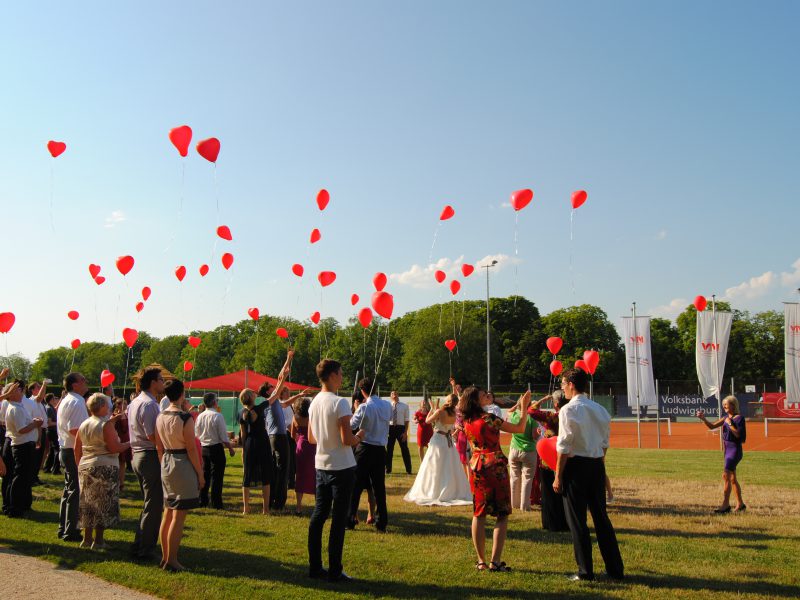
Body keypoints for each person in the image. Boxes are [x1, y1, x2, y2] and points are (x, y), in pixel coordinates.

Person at [554, 368, 624, 582]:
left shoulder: (568, 410)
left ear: (571, 384)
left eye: (563, 384)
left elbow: (564, 446)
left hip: (576, 467)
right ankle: (615, 569)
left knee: (577, 521)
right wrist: (598, 463)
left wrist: (558, 475)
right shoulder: (600, 409)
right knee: (601, 519)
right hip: (596, 466)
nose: (562, 388)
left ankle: (585, 571)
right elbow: (604, 444)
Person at [459, 386, 530, 572]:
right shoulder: (488, 418)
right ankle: (495, 561)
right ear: (476, 400)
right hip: (494, 466)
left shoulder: (466, 420)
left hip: (477, 467)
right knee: (502, 513)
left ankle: (481, 561)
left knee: (479, 513)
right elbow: (520, 428)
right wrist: (524, 408)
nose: (487, 396)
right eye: (483, 395)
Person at [307, 358, 364, 583]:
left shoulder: (314, 402)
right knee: (338, 520)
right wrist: (359, 437)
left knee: (319, 515)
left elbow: (312, 438)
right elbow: (347, 439)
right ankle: (334, 570)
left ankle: (315, 567)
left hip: (321, 465)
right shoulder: (339, 402)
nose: (342, 377)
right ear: (331, 376)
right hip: (342, 467)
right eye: (340, 373)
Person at [155, 379, 204, 572]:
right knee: (178, 515)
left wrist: (163, 464)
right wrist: (200, 473)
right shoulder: (185, 418)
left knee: (168, 512)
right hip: (182, 462)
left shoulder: (160, 416)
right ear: (181, 394)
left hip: (167, 461)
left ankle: (166, 557)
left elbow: (158, 446)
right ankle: (172, 559)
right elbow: (191, 448)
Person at [239, 350, 294, 514]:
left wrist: (243, 449)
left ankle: (246, 508)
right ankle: (265, 509)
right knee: (265, 475)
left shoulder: (241, 413)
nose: (254, 393)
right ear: (250, 398)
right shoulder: (260, 407)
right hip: (262, 442)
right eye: (252, 392)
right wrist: (285, 374)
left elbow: (243, 434)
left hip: (249, 443)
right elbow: (278, 389)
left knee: (247, 476)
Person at [74, 393, 130, 550]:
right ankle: (98, 541)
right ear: (103, 406)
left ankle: (86, 539)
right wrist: (129, 443)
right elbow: (114, 447)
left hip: (86, 465)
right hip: (104, 466)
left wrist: (79, 465)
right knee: (102, 504)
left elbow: (76, 448)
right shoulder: (105, 425)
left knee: (87, 503)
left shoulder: (84, 423)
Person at [404, 393, 472, 507]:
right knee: (449, 466)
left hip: (439, 439)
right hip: (448, 441)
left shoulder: (440, 412)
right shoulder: (454, 413)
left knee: (434, 465)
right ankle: (451, 490)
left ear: (448, 401)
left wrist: (431, 409)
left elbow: (427, 421)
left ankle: (433, 491)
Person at [127, 367, 165, 561]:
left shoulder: (135, 401)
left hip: (138, 454)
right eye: (161, 379)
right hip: (149, 455)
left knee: (149, 503)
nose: (163, 383)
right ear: (153, 382)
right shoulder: (149, 404)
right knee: (154, 506)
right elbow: (152, 435)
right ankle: (146, 549)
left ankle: (140, 544)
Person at [347, 377, 392, 532]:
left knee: (356, 485)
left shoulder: (364, 407)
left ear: (362, 391)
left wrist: (356, 409)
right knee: (379, 487)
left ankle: (350, 519)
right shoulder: (387, 405)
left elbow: (351, 425)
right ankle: (381, 522)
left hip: (364, 449)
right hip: (380, 450)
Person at [257, 351, 299, 511]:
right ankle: (279, 503)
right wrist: (288, 359)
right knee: (283, 469)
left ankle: (274, 499)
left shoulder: (272, 402)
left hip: (273, 437)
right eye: (271, 387)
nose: (274, 387)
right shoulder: (271, 399)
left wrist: (299, 395)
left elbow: (285, 403)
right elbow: (281, 378)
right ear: (268, 392)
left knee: (277, 468)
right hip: (279, 437)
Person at [696, 395, 747, 513]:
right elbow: (712, 426)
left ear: (733, 405)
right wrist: (703, 418)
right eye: (723, 404)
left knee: (726, 476)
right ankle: (740, 504)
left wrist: (729, 424)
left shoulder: (739, 418)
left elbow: (738, 435)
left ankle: (725, 505)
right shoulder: (725, 418)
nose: (724, 406)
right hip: (727, 450)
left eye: (726, 404)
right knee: (732, 478)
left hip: (734, 450)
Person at [528, 391, 570, 531]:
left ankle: (550, 522)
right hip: (566, 458)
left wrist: (543, 399)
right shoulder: (570, 415)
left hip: (548, 459)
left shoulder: (552, 416)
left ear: (555, 403)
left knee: (548, 492)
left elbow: (531, 410)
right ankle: (566, 521)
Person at [57, 372, 90, 541]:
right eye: (83, 380)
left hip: (66, 448)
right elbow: (75, 430)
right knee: (75, 491)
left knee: (69, 490)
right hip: (72, 450)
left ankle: (64, 527)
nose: (86, 382)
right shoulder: (77, 401)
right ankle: (70, 530)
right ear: (75, 385)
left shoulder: (68, 399)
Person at [3, 381, 42, 517]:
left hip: (24, 444)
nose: (22, 391)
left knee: (22, 477)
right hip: (21, 445)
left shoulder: (18, 406)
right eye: (18, 390)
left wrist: (33, 422)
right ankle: (15, 508)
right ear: (12, 394)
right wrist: (35, 424)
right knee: (19, 478)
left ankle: (19, 505)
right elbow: (21, 429)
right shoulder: (15, 408)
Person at [195, 392, 235, 509]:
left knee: (205, 475)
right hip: (216, 448)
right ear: (213, 402)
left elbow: (197, 434)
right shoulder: (217, 416)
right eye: (216, 400)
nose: (217, 402)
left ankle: (203, 500)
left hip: (204, 448)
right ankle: (216, 502)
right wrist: (230, 448)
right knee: (217, 477)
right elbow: (223, 436)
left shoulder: (200, 416)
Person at [506, 396, 539, 512]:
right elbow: (534, 436)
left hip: (514, 450)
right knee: (527, 479)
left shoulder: (514, 415)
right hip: (528, 451)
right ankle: (524, 506)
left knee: (514, 477)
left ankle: (514, 504)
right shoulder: (532, 419)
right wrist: (539, 433)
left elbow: (509, 411)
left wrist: (519, 403)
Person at [291, 396, 316, 514]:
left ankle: (298, 507)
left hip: (300, 446)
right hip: (313, 446)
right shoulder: (312, 417)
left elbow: (292, 435)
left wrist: (299, 440)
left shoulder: (295, 417)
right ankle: (318, 505)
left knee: (300, 476)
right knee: (315, 475)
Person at [386, 390, 411, 474]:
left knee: (404, 449)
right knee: (389, 449)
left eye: (395, 393)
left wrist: (405, 432)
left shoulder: (404, 406)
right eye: (392, 393)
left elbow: (407, 420)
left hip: (401, 429)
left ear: (398, 395)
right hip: (390, 428)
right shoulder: (388, 406)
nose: (394, 395)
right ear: (390, 396)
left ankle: (409, 470)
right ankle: (388, 469)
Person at [113, 398, 132, 490]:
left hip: (126, 440)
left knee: (123, 462)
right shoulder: (114, 416)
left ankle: (121, 483)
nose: (125, 405)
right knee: (116, 462)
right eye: (123, 404)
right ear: (118, 405)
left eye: (126, 403)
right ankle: (115, 482)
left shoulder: (128, 415)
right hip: (118, 440)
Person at [43, 393, 61, 475]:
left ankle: (47, 468)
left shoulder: (50, 407)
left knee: (52, 450)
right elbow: (49, 423)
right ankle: (55, 469)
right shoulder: (49, 409)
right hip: (52, 431)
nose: (55, 400)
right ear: (51, 400)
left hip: (51, 431)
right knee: (57, 450)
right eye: (54, 398)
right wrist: (59, 423)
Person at [413, 395, 434, 462]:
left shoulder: (429, 412)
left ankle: (429, 461)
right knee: (420, 446)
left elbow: (433, 419)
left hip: (429, 431)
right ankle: (422, 461)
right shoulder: (418, 412)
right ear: (420, 404)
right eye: (423, 402)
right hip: (421, 431)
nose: (424, 403)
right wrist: (416, 421)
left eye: (425, 402)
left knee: (430, 446)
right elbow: (414, 419)